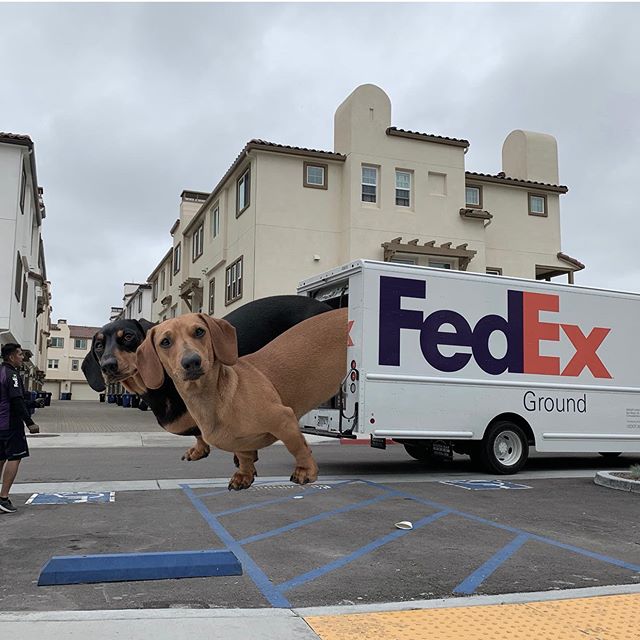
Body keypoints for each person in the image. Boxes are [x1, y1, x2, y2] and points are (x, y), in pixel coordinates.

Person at [0, 343, 41, 514]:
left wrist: (32, 403)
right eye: (19, 354)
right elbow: (16, 401)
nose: (22, 357)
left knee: (1, 457)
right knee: (15, 457)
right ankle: (3, 498)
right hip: (10, 423)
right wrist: (29, 422)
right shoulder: (13, 375)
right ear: (11, 357)